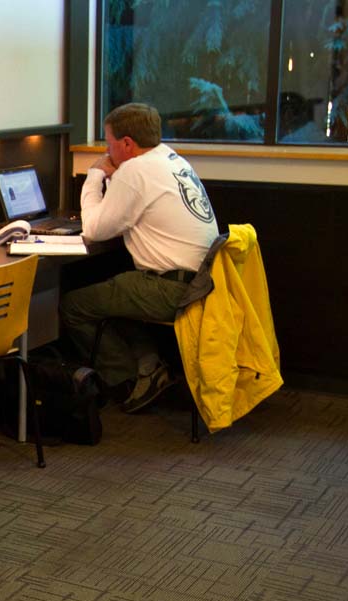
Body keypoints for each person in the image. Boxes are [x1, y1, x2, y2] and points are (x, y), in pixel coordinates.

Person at [60, 103, 219, 413]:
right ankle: (149, 365)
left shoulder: (136, 170)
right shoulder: (170, 159)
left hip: (170, 289)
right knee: (113, 291)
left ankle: (132, 378)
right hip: (200, 283)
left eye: (108, 144)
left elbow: (92, 229)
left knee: (74, 306)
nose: (106, 152)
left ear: (127, 144)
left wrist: (94, 176)